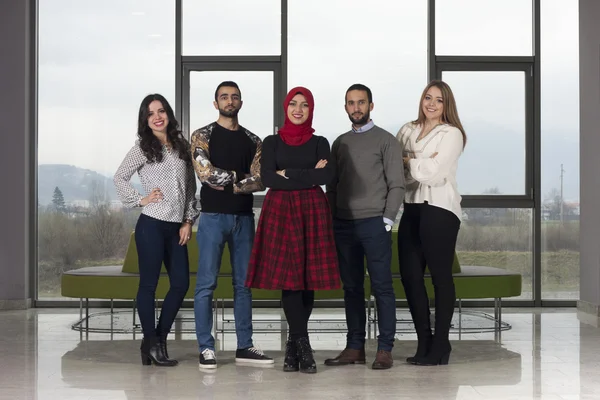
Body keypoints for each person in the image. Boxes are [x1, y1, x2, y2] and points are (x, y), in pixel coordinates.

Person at [246, 87, 340, 374]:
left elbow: (327, 176)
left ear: (311, 110)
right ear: (285, 108)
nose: (298, 109)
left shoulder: (321, 141)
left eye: (304, 105)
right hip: (281, 211)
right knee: (290, 278)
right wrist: (307, 176)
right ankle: (303, 345)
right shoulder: (272, 141)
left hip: (312, 210)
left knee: (307, 277)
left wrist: (289, 174)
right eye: (293, 104)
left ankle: (293, 347)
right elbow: (268, 177)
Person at [190, 81, 273, 369]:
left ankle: (244, 346)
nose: (229, 101)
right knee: (206, 285)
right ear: (216, 103)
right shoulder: (202, 135)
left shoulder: (254, 140)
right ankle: (206, 348)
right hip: (212, 218)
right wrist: (240, 179)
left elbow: (261, 179)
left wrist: (227, 182)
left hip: (243, 219)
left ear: (241, 102)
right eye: (224, 97)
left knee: (244, 285)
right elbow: (205, 174)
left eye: (234, 97)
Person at [114, 93, 199, 367]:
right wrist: (141, 199)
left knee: (180, 283)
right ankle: (152, 341)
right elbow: (120, 177)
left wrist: (188, 221)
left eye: (161, 111)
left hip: (176, 228)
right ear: (145, 120)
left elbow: (191, 188)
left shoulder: (181, 146)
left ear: (168, 114)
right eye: (151, 113)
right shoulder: (143, 148)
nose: (157, 116)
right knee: (148, 285)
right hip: (150, 224)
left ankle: (156, 340)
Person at [325, 83, 405, 370]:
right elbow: (332, 186)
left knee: (382, 287)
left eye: (361, 102)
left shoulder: (386, 141)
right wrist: (333, 218)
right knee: (352, 288)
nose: (356, 107)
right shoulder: (340, 143)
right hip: (344, 225)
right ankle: (355, 347)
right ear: (345, 107)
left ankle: (385, 348)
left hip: (375, 224)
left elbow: (397, 184)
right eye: (351, 103)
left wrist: (386, 220)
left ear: (371, 105)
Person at [396, 80, 466, 366]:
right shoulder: (407, 130)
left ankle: (441, 344)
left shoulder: (452, 134)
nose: (432, 104)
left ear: (446, 105)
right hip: (411, 208)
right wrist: (420, 161)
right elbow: (401, 173)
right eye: (428, 97)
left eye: (439, 99)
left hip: (440, 209)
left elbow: (435, 175)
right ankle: (423, 341)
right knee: (410, 277)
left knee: (440, 277)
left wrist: (410, 160)